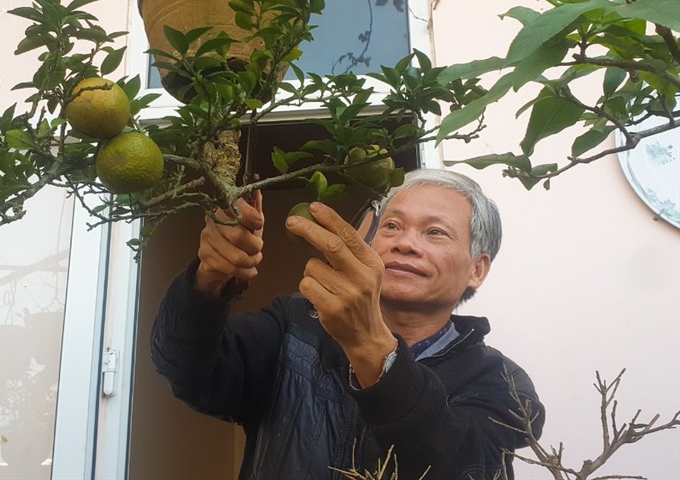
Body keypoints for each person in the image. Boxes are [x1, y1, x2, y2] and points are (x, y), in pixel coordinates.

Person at [151, 168, 544, 480]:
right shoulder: (295, 324)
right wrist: (208, 278)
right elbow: (186, 369)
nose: (405, 243)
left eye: (435, 232)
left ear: (477, 269)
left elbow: (464, 467)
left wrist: (370, 345)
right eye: (391, 226)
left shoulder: (500, 382)